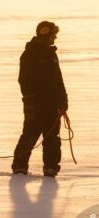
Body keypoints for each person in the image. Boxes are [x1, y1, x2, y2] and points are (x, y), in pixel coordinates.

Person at [11, 21, 68, 177]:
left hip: (53, 105)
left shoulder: (52, 54)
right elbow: (24, 80)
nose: (55, 37)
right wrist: (30, 102)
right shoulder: (29, 55)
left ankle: (51, 167)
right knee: (29, 135)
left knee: (52, 139)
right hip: (35, 105)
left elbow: (59, 79)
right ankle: (19, 166)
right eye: (53, 35)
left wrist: (63, 100)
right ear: (44, 34)